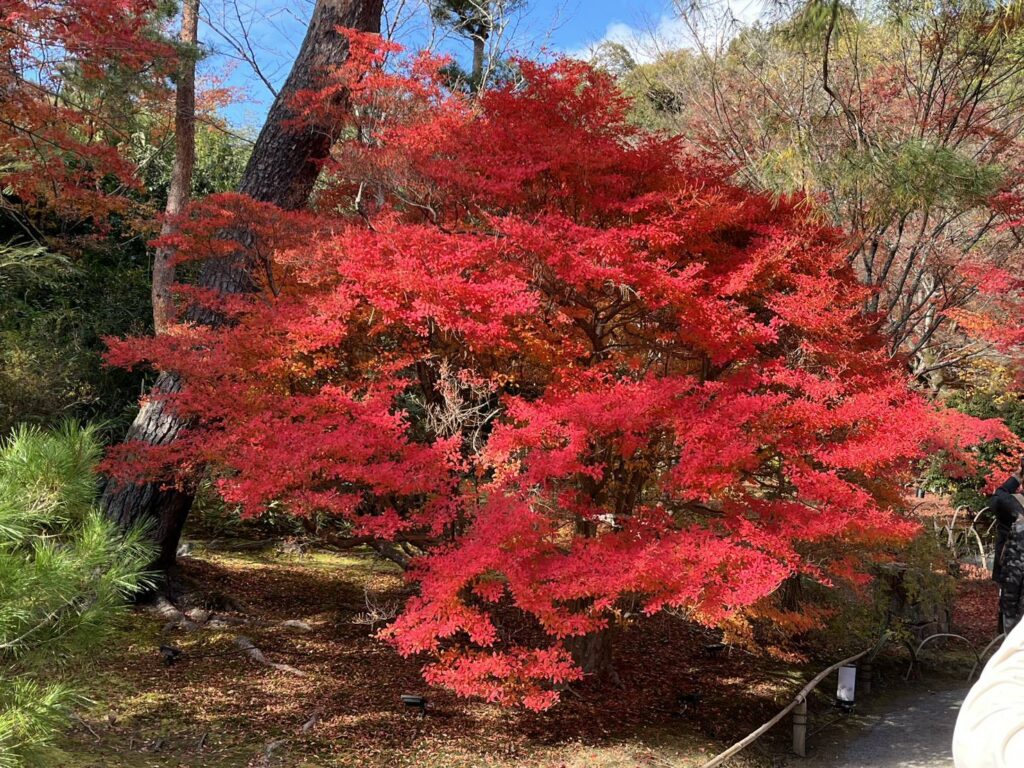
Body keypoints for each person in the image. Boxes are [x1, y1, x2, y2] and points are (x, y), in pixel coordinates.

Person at [989, 459, 1024, 632]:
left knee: (1009, 614)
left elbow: (997, 497)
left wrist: (1016, 477)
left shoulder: (1011, 503)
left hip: (1011, 570)